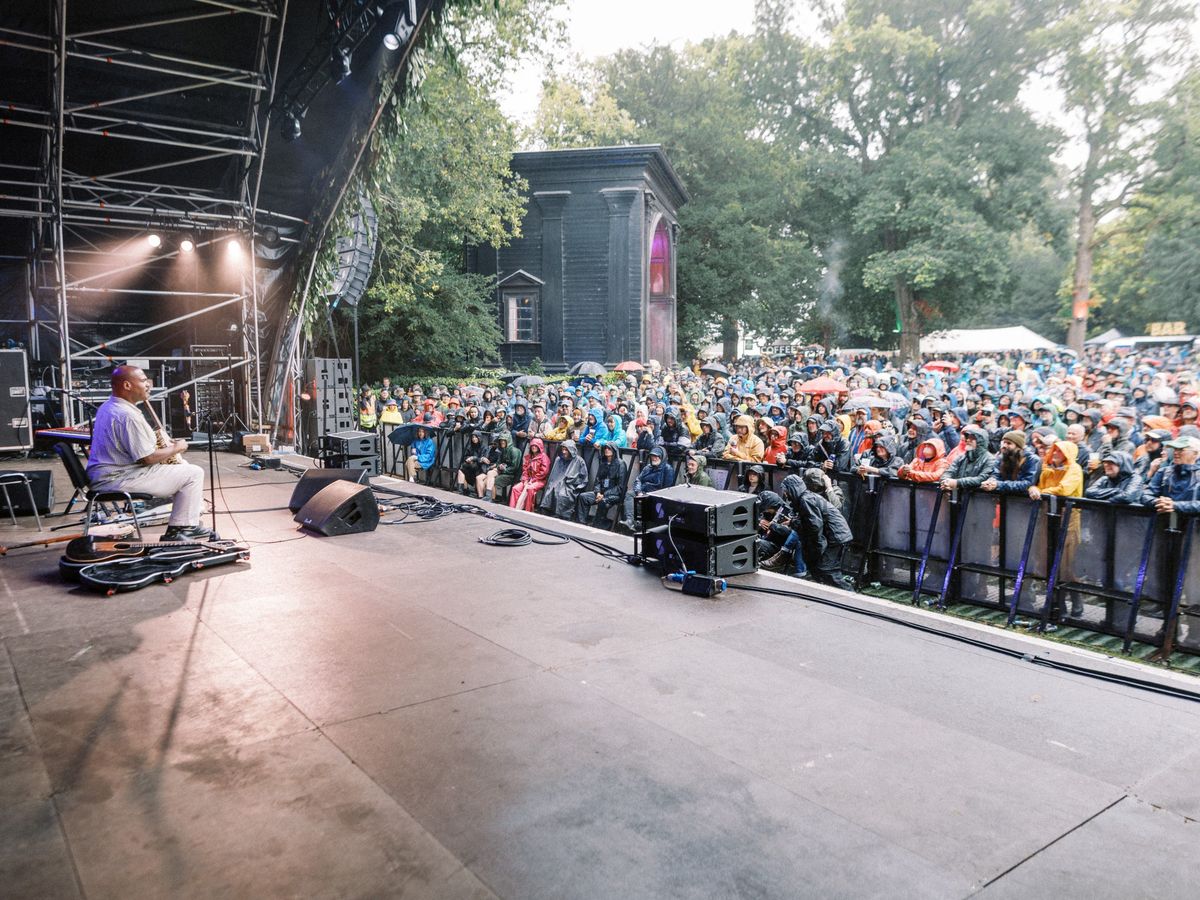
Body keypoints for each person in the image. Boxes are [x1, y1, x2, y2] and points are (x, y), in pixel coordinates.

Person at [85, 365, 214, 541]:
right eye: (144, 380)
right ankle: (181, 530)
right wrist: (177, 448)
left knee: (183, 468)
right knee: (193, 473)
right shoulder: (127, 415)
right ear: (128, 385)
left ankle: (186, 524)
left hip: (107, 476)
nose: (148, 385)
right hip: (120, 479)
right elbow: (147, 458)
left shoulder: (108, 407)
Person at [620, 444, 673, 529]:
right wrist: (638, 492)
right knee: (630, 494)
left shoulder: (667, 469)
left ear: (661, 457)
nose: (654, 458)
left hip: (654, 495)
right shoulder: (648, 467)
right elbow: (638, 480)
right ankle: (630, 520)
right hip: (642, 492)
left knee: (642, 503)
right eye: (652, 456)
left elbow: (667, 488)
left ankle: (638, 524)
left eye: (657, 456)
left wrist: (648, 495)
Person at [1143, 436, 1200, 514]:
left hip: (1192, 524)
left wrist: (1175, 506)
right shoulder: (1163, 472)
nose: (1176, 452)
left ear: (1195, 453)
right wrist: (1157, 502)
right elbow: (1147, 494)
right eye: (1175, 449)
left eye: (1181, 449)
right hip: (1163, 523)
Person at [577, 443, 627, 528]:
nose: (606, 450)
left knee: (603, 501)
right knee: (583, 497)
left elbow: (620, 487)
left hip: (614, 494)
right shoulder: (603, 463)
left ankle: (598, 525)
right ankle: (582, 522)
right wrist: (598, 493)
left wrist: (604, 494)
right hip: (600, 493)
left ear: (614, 450)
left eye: (609, 448)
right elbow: (597, 481)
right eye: (605, 448)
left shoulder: (620, 464)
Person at [541, 440, 589, 519]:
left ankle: (561, 514)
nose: (564, 452)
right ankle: (547, 511)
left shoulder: (579, 461)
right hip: (557, 483)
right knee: (551, 490)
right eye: (563, 449)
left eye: (566, 450)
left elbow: (584, 478)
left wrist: (576, 486)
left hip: (570, 485)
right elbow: (553, 475)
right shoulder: (558, 459)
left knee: (562, 494)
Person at [940, 425, 993, 493]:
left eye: (972, 439)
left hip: (979, 499)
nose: (968, 440)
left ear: (980, 441)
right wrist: (945, 482)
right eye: (967, 438)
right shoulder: (961, 457)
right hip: (959, 498)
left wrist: (956, 483)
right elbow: (948, 472)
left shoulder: (990, 459)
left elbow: (982, 478)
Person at [509, 436, 551, 512]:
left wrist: (533, 480)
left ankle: (527, 511)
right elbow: (524, 470)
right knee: (515, 488)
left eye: (536, 445)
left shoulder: (544, 458)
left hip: (539, 480)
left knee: (530, 489)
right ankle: (512, 509)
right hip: (528, 480)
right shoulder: (528, 457)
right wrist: (525, 480)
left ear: (540, 446)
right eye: (532, 446)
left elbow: (543, 472)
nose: (534, 447)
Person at [484, 431, 521, 501]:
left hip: (511, 475)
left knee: (491, 481)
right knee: (489, 474)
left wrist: (504, 469)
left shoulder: (515, 451)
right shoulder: (503, 450)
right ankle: (488, 497)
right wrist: (499, 466)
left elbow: (515, 467)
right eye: (501, 440)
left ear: (508, 441)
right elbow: (498, 462)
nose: (502, 442)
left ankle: (492, 499)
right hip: (503, 472)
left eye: (504, 441)